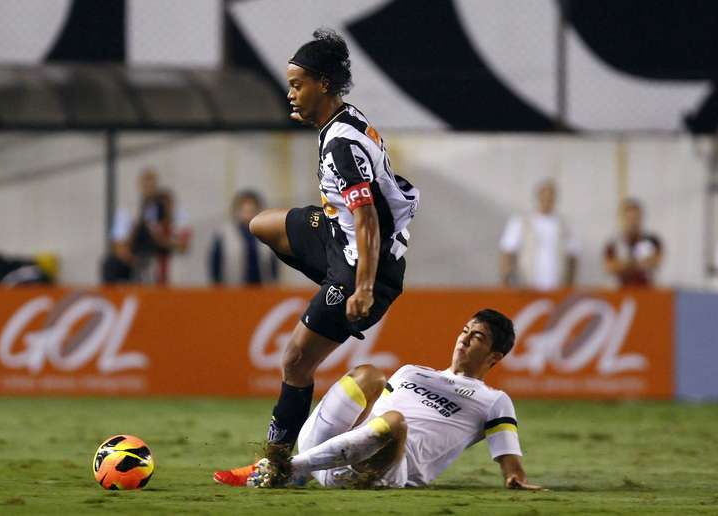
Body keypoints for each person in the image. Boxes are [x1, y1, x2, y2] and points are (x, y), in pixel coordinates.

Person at [213, 28, 420, 485]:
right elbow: (356, 211)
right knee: (261, 224)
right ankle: (329, 283)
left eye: (297, 84)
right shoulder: (343, 122)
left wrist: (362, 288)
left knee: (295, 363)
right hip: (335, 237)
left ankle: (277, 464)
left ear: (323, 84)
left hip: (363, 266)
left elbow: (366, 219)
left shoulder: (342, 145)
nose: (290, 94)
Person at [237, 309, 542, 490]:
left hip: (382, 474)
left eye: (477, 338)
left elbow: (510, 461)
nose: (463, 339)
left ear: (495, 356)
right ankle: (297, 468)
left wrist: (514, 479)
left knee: (395, 423)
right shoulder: (412, 372)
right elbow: (369, 414)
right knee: (370, 375)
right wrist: (348, 443)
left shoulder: (494, 400)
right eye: (464, 331)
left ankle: (284, 469)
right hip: (334, 452)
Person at [103, 169, 191, 284]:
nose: (149, 188)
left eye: (152, 184)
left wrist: (162, 238)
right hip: (139, 263)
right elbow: (119, 247)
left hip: (162, 261)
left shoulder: (171, 211)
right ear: (140, 186)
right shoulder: (128, 210)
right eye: (146, 185)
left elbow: (183, 245)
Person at [499, 179, 578, 291]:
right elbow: (507, 250)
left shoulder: (564, 225)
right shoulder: (521, 222)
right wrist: (505, 278)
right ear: (538, 197)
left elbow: (573, 254)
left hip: (557, 286)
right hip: (526, 286)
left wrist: (569, 284)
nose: (547, 200)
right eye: (544, 196)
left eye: (550, 197)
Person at [209, 190, 278, 285]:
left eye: (252, 209)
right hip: (232, 291)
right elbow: (216, 264)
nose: (248, 213)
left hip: (262, 290)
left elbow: (273, 266)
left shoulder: (267, 234)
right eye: (244, 209)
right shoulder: (223, 234)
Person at [603, 198, 663, 287]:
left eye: (636, 218)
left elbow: (655, 262)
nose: (633, 222)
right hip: (621, 289)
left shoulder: (651, 241)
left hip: (646, 289)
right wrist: (635, 263)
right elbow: (609, 267)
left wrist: (625, 264)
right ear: (623, 219)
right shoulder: (614, 243)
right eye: (630, 218)